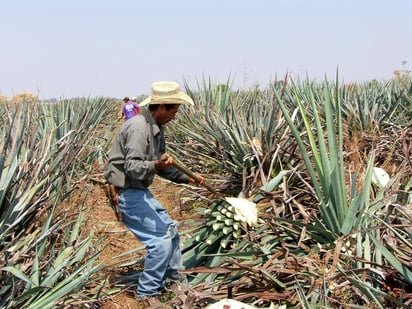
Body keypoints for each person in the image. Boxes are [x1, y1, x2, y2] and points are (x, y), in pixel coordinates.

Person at [105, 81, 204, 307]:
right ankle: (147, 293)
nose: (174, 117)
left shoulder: (156, 129)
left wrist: (187, 177)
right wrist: (156, 165)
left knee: (172, 231)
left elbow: (163, 165)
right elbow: (133, 167)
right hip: (128, 193)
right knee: (160, 242)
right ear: (160, 107)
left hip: (139, 190)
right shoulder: (139, 127)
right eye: (173, 112)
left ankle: (174, 281)